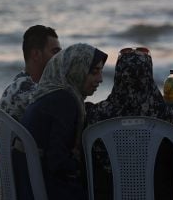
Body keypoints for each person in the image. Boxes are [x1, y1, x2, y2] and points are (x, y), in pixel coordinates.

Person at [17, 43, 108, 200]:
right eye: (94, 72)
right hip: (38, 184)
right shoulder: (64, 101)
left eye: (101, 72)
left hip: (26, 177)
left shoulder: (52, 93)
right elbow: (57, 161)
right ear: (76, 71)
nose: (100, 79)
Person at [85, 47, 173, 200]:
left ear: (119, 74)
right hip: (158, 194)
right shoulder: (166, 119)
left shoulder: (95, 116)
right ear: (149, 74)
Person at [0, 25, 61, 120]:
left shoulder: (24, 84)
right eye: (55, 52)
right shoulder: (24, 90)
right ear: (36, 54)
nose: (60, 57)